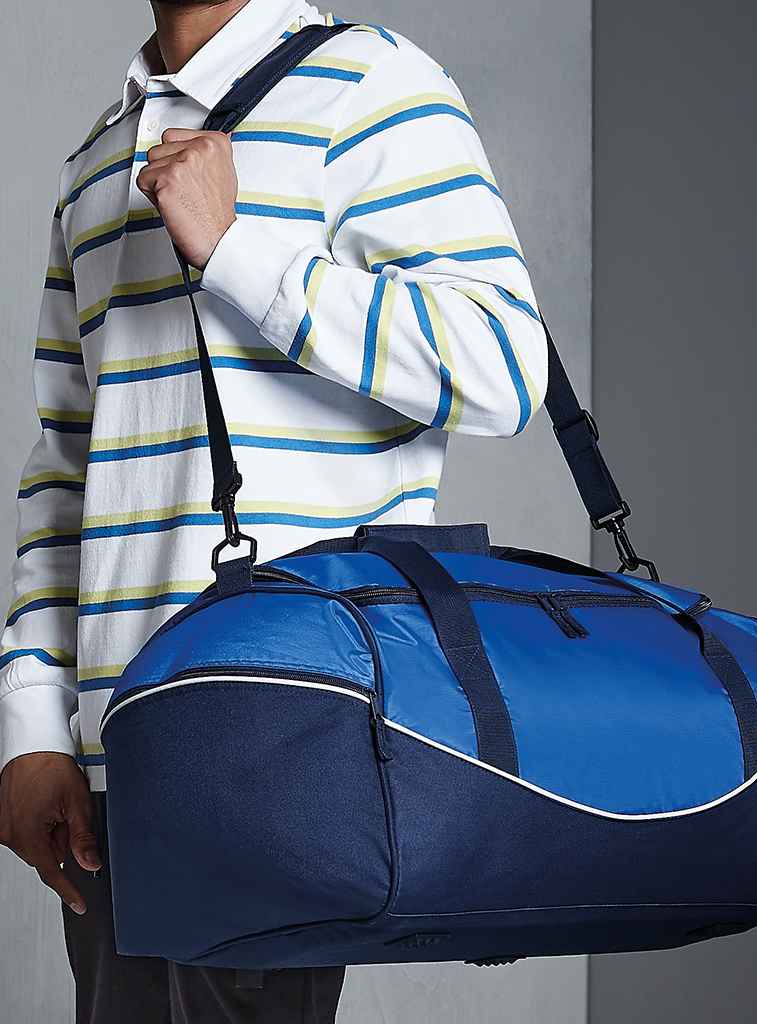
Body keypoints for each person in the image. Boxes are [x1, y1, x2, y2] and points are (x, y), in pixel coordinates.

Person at [0, 1, 548, 1020]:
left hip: (283, 726)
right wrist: (32, 725)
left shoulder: (369, 82)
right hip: (119, 759)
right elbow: (68, 465)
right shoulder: (98, 156)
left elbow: (505, 367)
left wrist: (236, 251)